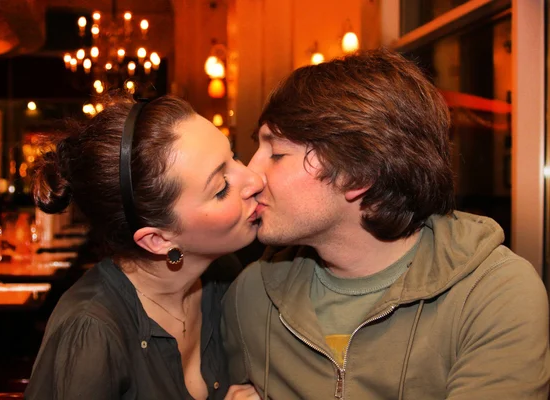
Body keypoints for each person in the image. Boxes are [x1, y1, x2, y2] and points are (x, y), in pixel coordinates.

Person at [222, 48, 550, 399]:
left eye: (276, 154)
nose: (251, 176)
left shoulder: (491, 294)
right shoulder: (252, 293)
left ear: (356, 173)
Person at [25, 94, 264, 400]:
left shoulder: (226, 278)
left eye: (234, 157)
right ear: (158, 240)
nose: (254, 179)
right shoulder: (92, 330)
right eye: (221, 188)